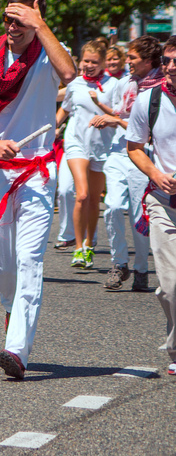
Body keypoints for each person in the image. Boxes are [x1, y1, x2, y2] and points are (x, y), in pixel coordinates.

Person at [0, 0, 76, 379]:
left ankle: (17, 350)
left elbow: (70, 73)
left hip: (37, 174)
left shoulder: (45, 57)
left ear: (36, 20)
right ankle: (11, 307)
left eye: (20, 20)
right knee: (2, 261)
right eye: (8, 19)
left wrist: (39, 24)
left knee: (29, 260)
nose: (12, 27)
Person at [94, 36, 162, 291]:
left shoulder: (160, 89)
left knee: (137, 215)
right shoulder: (125, 83)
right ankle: (119, 263)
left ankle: (141, 269)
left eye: (132, 58)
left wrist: (115, 121)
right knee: (111, 206)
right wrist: (107, 118)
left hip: (143, 155)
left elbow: (146, 130)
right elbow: (118, 113)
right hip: (117, 151)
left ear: (148, 60)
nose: (128, 62)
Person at [126, 35, 176, 375]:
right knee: (172, 284)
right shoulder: (150, 100)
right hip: (164, 202)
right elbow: (134, 146)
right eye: (168, 61)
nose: (171, 67)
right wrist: (156, 174)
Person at [55, 40, 117, 270]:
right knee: (80, 194)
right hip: (76, 142)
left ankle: (90, 243)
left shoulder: (114, 85)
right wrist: (53, 126)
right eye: (85, 61)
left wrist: (100, 105)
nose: (89, 65)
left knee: (93, 198)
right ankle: (78, 247)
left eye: (94, 62)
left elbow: (119, 114)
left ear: (103, 63)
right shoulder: (75, 84)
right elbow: (66, 109)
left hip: (102, 145)